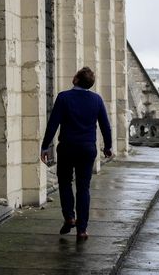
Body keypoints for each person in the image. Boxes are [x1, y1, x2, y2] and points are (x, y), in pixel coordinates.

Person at [40, 67, 112, 240]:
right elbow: (105, 126)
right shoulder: (96, 99)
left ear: (76, 79)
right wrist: (108, 146)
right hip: (87, 149)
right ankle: (82, 229)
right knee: (83, 188)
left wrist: (45, 147)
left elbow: (53, 124)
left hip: (67, 147)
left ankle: (69, 217)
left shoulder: (64, 97)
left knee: (65, 183)